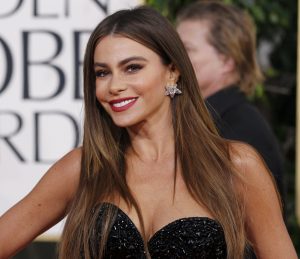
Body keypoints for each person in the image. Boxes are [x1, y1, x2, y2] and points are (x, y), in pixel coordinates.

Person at [0, 5, 297, 259]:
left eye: (132, 68)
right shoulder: (83, 168)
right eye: (102, 72)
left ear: (172, 70)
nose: (114, 85)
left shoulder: (235, 165)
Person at [176, 1, 285, 197]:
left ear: (226, 60)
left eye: (187, 49)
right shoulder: (206, 118)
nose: (174, 57)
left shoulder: (240, 128)